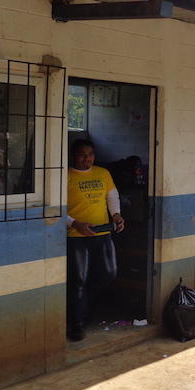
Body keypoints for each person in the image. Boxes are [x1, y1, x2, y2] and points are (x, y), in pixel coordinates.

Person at [66, 139, 126, 342]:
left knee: (108, 274)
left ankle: (82, 306)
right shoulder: (64, 176)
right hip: (77, 237)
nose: (87, 158)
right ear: (74, 155)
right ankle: (76, 325)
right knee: (78, 281)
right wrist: (74, 224)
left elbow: (112, 196)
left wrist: (116, 215)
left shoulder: (103, 173)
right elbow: (55, 208)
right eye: (83, 154)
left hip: (102, 233)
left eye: (90, 154)